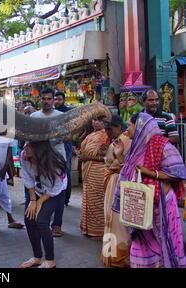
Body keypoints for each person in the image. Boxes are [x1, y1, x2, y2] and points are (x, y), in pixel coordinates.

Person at [112, 113, 186, 268]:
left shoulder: (162, 145)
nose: (126, 129)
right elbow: (130, 172)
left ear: (140, 126)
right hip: (140, 207)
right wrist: (119, 156)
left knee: (165, 241)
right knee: (140, 242)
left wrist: (151, 173)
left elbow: (178, 173)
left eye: (129, 125)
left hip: (162, 205)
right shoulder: (136, 147)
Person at [19, 141, 67, 268]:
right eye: (25, 143)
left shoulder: (56, 161)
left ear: (39, 147)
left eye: (29, 144)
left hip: (53, 192)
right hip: (38, 191)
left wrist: (40, 202)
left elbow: (56, 188)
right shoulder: (24, 155)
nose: (25, 146)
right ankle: (37, 257)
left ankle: (50, 261)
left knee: (42, 222)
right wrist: (33, 200)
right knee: (29, 219)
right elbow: (27, 178)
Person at [31, 87, 68, 237]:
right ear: (39, 99)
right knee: (40, 189)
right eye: (43, 98)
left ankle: (57, 225)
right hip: (39, 160)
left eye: (49, 99)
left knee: (58, 193)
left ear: (53, 100)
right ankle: (40, 220)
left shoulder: (61, 116)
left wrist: (55, 138)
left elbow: (69, 136)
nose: (46, 101)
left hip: (58, 160)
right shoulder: (34, 116)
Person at [101, 115, 131, 267]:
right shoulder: (115, 141)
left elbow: (129, 165)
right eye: (105, 129)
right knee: (110, 218)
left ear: (119, 127)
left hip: (121, 183)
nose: (107, 132)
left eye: (109, 128)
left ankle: (120, 257)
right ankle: (110, 254)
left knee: (119, 221)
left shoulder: (125, 140)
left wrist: (115, 165)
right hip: (112, 182)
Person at [79, 115, 109, 240]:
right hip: (89, 171)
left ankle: (99, 231)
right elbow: (82, 152)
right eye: (94, 120)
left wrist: (88, 157)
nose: (96, 122)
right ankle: (89, 228)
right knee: (89, 199)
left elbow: (106, 156)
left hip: (99, 171)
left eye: (99, 120)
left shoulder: (107, 136)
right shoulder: (90, 135)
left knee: (98, 200)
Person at [54, 91, 74, 206]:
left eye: (59, 99)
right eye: (55, 99)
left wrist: (68, 138)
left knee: (66, 170)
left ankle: (65, 199)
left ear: (63, 100)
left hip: (65, 144)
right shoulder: (52, 113)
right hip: (54, 145)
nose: (57, 101)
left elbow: (72, 129)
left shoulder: (67, 112)